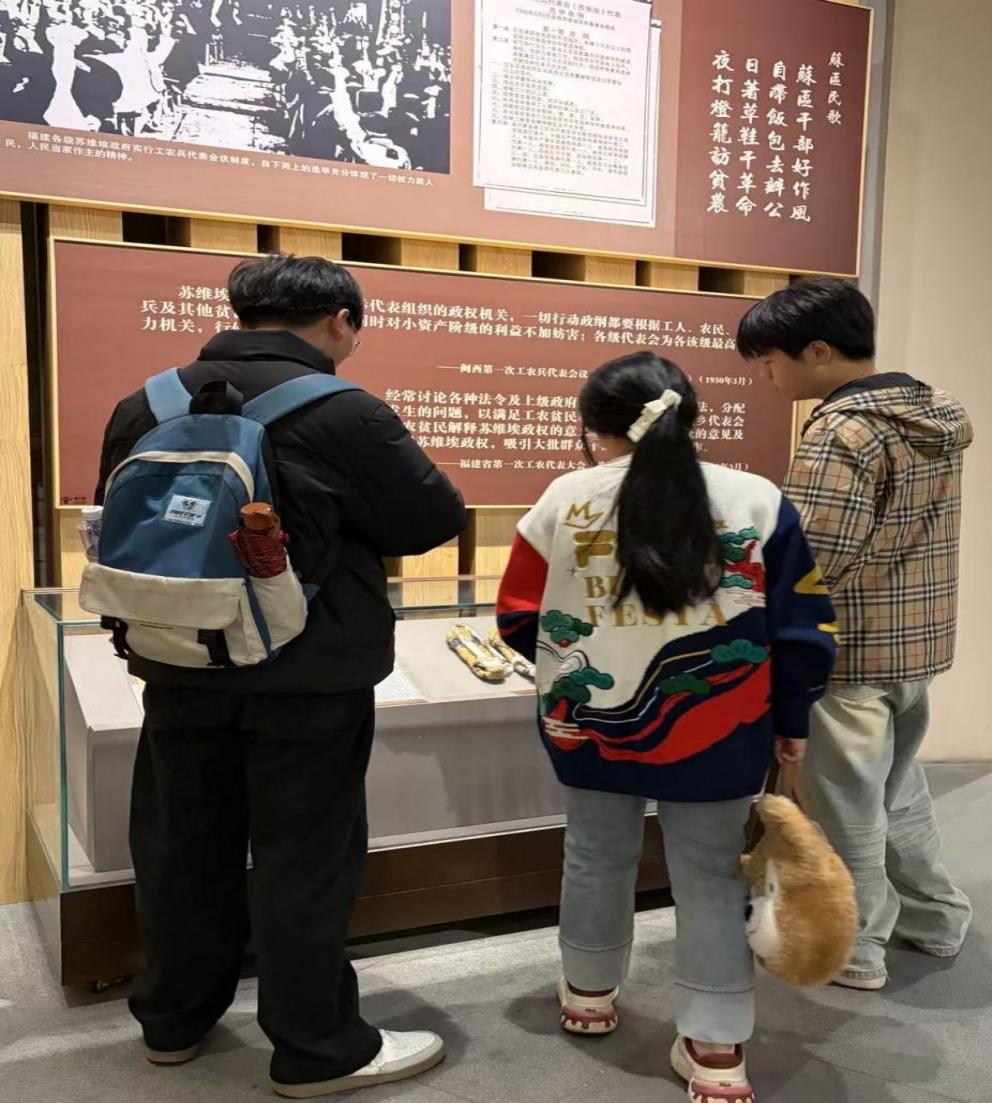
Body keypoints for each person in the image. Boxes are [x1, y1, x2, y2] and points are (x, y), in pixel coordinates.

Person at [95, 254, 466, 1097]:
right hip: (309, 670)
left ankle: (173, 1020)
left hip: (179, 657)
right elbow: (430, 518)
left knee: (182, 844)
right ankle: (316, 1047)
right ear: (339, 320)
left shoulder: (145, 404)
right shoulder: (345, 411)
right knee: (305, 856)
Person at [495, 352, 836, 1103]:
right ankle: (717, 1049)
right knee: (712, 875)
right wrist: (791, 716)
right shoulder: (755, 498)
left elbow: (517, 616)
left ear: (596, 428)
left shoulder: (565, 498)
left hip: (588, 725)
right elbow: (802, 627)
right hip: (722, 726)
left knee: (593, 855)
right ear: (691, 415)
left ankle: (588, 995)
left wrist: (586, 657)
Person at [737, 277, 974, 991]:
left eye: (771, 362)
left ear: (817, 350)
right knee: (899, 794)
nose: (768, 378)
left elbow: (813, 560)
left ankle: (857, 950)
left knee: (846, 812)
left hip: (848, 656)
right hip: (917, 645)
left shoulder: (841, 431)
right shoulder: (933, 415)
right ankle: (936, 918)